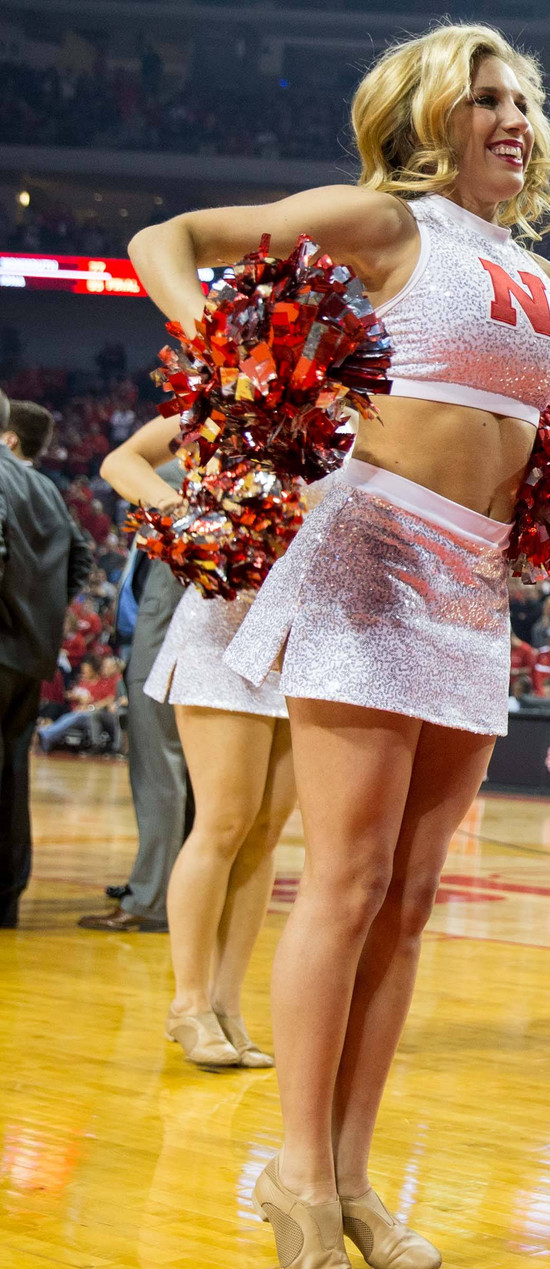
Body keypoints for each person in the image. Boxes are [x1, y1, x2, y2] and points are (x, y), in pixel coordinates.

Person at [129, 22, 550, 1269]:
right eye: (482, 99)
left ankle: (345, 1175)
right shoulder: (381, 224)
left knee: (409, 896)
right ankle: (293, 1171)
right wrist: (245, 363)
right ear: (424, 115)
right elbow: (162, 246)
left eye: (520, 101)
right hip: (366, 560)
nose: (511, 118)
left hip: (474, 592)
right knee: (342, 881)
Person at [88, 415, 298, 1067]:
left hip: (305, 640)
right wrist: (184, 513)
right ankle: (188, 1003)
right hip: (223, 621)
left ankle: (228, 1005)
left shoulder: (356, 413)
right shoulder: (229, 403)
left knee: (264, 832)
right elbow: (120, 463)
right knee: (225, 822)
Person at [80, 457, 191, 935]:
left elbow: (119, 460)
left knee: (157, 770)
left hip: (165, 640)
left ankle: (151, 898)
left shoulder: (169, 479)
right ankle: (175, 889)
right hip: (183, 642)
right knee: (183, 775)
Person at [0, 394, 92, 928]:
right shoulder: (50, 490)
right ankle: (7, 898)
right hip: (30, 656)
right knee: (13, 776)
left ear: (9, 439)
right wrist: (43, 612)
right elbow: (80, 555)